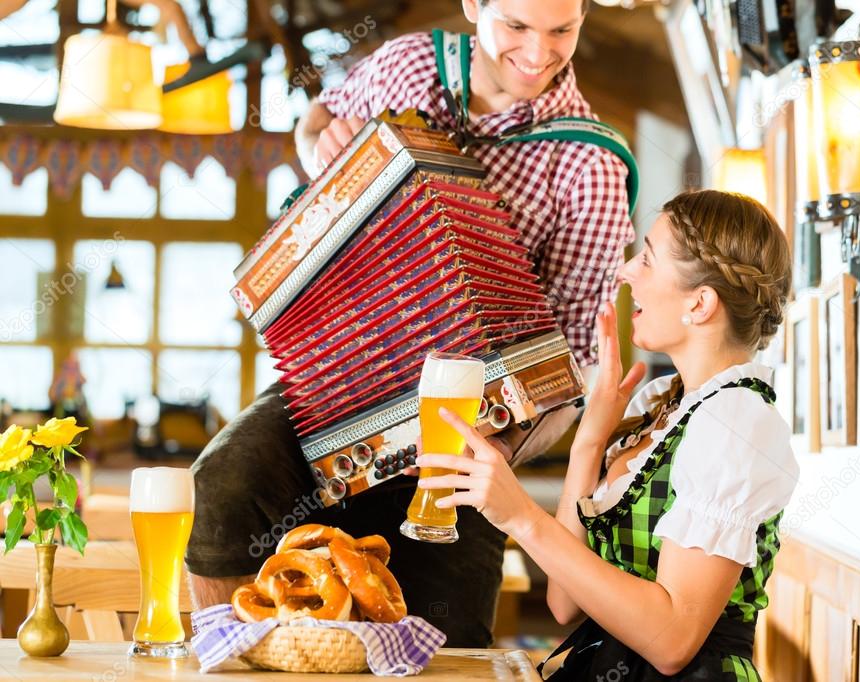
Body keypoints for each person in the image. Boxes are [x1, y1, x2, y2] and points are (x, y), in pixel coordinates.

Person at [185, 0, 635, 649]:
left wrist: (491, 458)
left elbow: (567, 376)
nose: (538, 54)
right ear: (474, 6)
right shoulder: (405, 64)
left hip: (463, 434)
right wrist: (320, 148)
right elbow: (316, 118)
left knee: (444, 634)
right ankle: (240, 654)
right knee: (223, 483)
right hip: (335, 378)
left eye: (561, 30)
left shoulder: (590, 166)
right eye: (515, 26)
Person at [415, 189, 800, 680]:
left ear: (700, 303)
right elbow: (564, 602)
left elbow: (673, 642)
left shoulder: (737, 422)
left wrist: (522, 517)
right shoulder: (661, 405)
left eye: (648, 259)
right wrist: (588, 443)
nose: (625, 272)